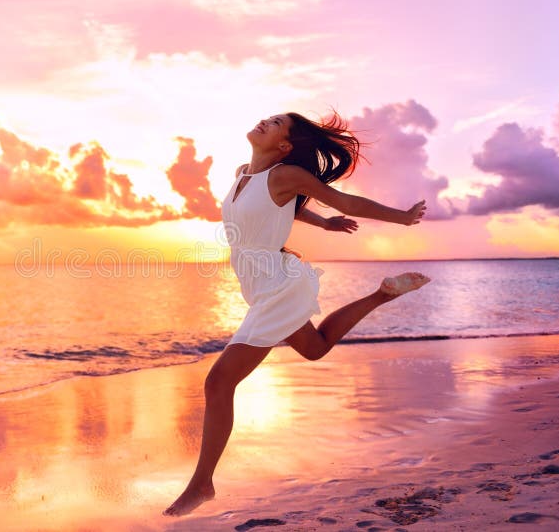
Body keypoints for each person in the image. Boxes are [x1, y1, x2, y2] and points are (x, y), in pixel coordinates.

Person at [163, 110, 431, 517]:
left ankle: (202, 485)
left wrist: (402, 217)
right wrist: (322, 224)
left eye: (273, 125)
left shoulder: (287, 175)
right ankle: (381, 295)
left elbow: (346, 200)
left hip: (275, 285)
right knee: (314, 347)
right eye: (267, 118)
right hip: (257, 285)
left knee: (219, 383)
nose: (263, 123)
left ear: (285, 146)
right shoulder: (243, 173)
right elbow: (277, 209)